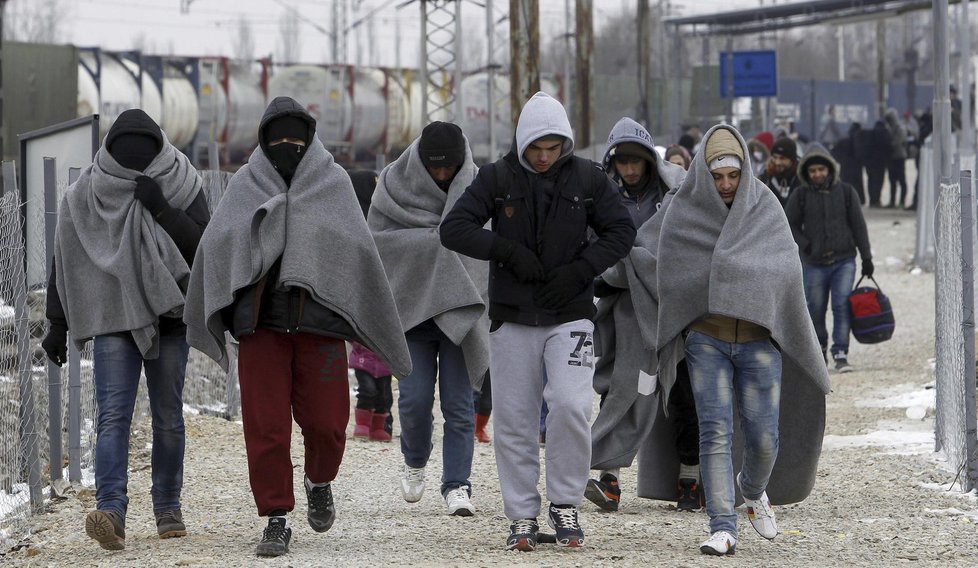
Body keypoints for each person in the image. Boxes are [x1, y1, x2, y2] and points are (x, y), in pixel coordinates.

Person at [183, 96, 411, 558]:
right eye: (277, 138)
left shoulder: (333, 184)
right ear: (263, 141)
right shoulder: (245, 186)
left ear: (310, 139)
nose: (288, 146)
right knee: (265, 427)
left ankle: (318, 480)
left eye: (296, 138)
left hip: (320, 329)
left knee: (328, 425)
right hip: (260, 331)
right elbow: (218, 244)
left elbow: (358, 251)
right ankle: (275, 518)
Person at [603, 124, 830, 556]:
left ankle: (752, 489)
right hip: (706, 339)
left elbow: (786, 270)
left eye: (733, 175)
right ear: (704, 175)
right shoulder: (683, 211)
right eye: (717, 176)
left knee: (764, 437)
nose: (726, 185)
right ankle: (722, 525)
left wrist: (744, 284)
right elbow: (658, 258)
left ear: (745, 171)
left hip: (761, 343)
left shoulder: (765, 208)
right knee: (715, 433)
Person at [440, 91, 636, 551]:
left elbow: (621, 231)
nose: (544, 157)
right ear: (522, 142)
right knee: (514, 419)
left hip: (571, 315)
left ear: (565, 143)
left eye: (553, 148)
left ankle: (565, 503)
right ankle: (522, 515)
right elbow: (454, 228)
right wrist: (506, 251)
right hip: (512, 318)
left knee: (570, 407)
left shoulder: (588, 177)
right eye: (536, 148)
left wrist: (582, 269)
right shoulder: (495, 177)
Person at [41, 108, 208, 551]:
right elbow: (67, 257)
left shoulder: (182, 181)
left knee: (168, 416)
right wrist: (57, 323)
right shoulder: (85, 192)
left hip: (170, 316)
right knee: (113, 416)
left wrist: (162, 207)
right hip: (113, 316)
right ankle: (111, 510)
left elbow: (203, 245)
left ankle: (167, 506)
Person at [368, 120, 489, 517]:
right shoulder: (391, 185)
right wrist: (435, 245)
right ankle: (415, 459)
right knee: (415, 400)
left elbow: (486, 250)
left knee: (459, 404)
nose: (442, 175)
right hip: (411, 312)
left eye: (449, 168)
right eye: (434, 167)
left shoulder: (478, 188)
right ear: (420, 162)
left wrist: (437, 248)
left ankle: (457, 485)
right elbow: (378, 244)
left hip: (460, 313)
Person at [585, 117, 696, 514]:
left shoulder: (677, 194)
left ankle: (690, 475)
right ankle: (608, 477)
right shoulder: (601, 197)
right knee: (620, 387)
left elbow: (690, 241)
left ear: (650, 160)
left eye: (637, 161)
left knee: (681, 389)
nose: (629, 169)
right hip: (624, 309)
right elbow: (594, 247)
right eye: (622, 162)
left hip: (672, 309)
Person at [785, 143, 874, 373]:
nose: (817, 175)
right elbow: (788, 223)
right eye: (813, 171)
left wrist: (867, 258)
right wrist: (805, 245)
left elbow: (858, 226)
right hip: (814, 263)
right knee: (815, 309)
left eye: (821, 170)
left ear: (830, 170)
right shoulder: (800, 195)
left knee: (842, 305)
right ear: (806, 172)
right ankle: (819, 350)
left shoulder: (846, 192)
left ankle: (841, 352)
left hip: (844, 260)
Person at [758, 136, 801, 207]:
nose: (777, 162)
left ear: (792, 160)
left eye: (782, 158)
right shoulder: (766, 179)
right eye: (775, 157)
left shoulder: (801, 179)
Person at [831, 122, 866, 205]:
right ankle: (859, 200)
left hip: (845, 166)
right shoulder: (859, 140)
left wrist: (840, 160)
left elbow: (833, 152)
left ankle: (844, 199)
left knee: (845, 183)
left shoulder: (843, 140)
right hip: (856, 166)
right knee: (857, 184)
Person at [884, 108, 909, 208]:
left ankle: (902, 202)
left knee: (901, 180)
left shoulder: (899, 128)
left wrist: (889, 145)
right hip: (892, 158)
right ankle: (892, 201)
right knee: (892, 181)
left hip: (899, 157)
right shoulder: (890, 128)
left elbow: (897, 143)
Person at [864, 118, 892, 207]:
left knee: (870, 181)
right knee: (879, 181)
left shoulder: (870, 133)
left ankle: (872, 200)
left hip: (869, 162)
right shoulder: (884, 133)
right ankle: (877, 200)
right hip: (880, 162)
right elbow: (888, 146)